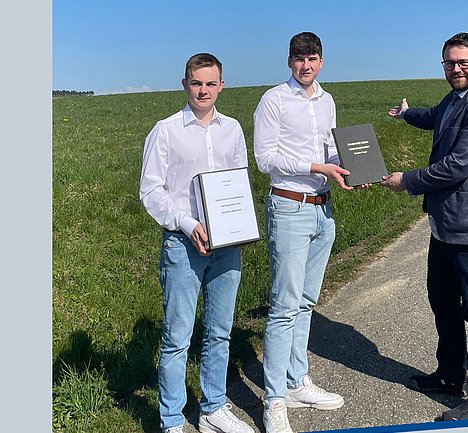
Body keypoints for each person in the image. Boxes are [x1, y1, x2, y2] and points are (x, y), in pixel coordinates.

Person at [383, 32, 468, 421]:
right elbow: (433, 116)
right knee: (442, 302)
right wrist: (406, 114)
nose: (456, 69)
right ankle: (451, 375)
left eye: (464, 62)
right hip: (445, 225)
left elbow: (458, 166)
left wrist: (408, 180)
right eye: (450, 63)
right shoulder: (456, 98)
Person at [139, 53, 254, 433]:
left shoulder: (232, 129)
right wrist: (188, 225)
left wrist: (240, 227)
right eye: (196, 83)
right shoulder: (166, 130)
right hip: (183, 245)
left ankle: (212, 410)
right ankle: (172, 420)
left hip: (227, 247)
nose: (203, 90)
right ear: (184, 84)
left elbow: (238, 182)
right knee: (177, 337)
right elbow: (151, 191)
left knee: (219, 332)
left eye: (210, 83)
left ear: (221, 85)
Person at [253, 31, 351, 433]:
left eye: (312, 58)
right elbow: (265, 159)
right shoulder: (274, 100)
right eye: (298, 58)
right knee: (284, 306)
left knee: (307, 302)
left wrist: (348, 168)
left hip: (323, 209)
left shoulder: (327, 101)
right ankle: (274, 399)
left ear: (321, 61)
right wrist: (316, 167)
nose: (305, 65)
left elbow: (331, 149)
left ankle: (296, 381)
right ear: (289, 61)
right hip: (289, 206)